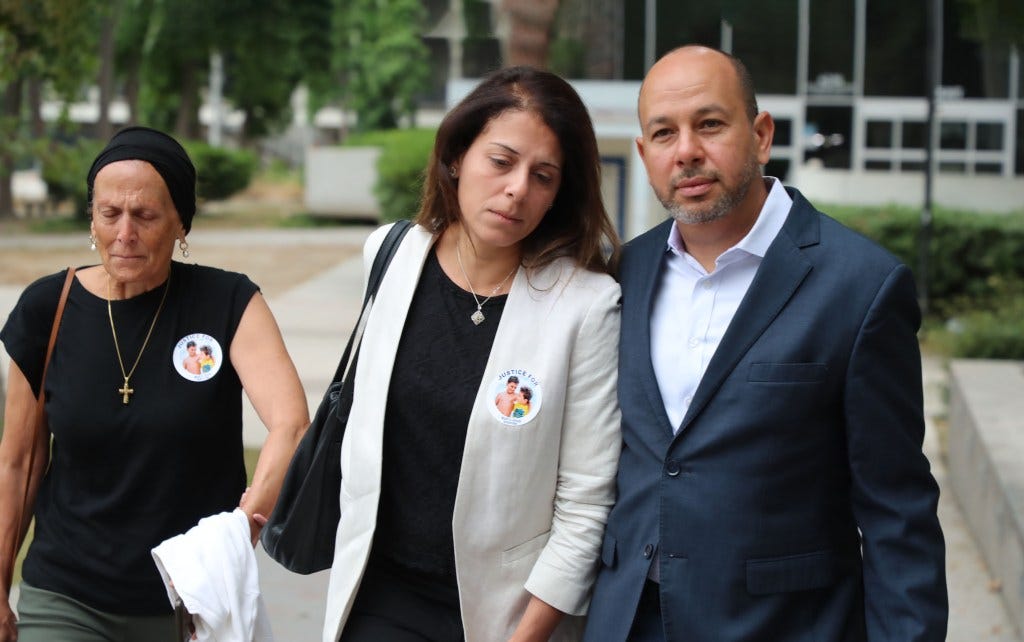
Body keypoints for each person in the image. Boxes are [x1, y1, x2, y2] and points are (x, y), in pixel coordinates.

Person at [584, 45, 948, 641]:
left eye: (709, 124)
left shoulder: (861, 286)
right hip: (625, 623)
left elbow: (896, 513)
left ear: (760, 134)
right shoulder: (622, 274)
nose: (688, 152)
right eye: (664, 134)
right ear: (645, 154)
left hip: (781, 626)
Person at [320, 66, 622, 642]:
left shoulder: (586, 305)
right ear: (457, 156)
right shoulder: (391, 254)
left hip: (507, 614)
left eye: (544, 175)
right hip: (380, 596)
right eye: (501, 162)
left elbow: (585, 504)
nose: (517, 190)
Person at [0, 126, 309, 641]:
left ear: (181, 224)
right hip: (65, 594)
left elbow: (291, 424)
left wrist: (239, 532)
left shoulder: (227, 302)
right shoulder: (46, 308)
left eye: (144, 216)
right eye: (109, 213)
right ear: (91, 218)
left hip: (190, 603)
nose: (124, 233)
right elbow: (19, 460)